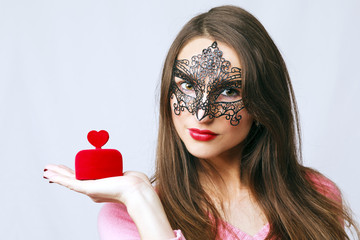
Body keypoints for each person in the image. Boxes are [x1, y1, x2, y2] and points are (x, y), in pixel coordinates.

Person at [43, 5, 360, 240]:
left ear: (263, 100)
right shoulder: (127, 218)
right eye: (188, 86)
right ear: (169, 89)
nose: (201, 113)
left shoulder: (315, 195)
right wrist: (140, 196)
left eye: (229, 90)